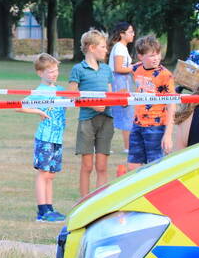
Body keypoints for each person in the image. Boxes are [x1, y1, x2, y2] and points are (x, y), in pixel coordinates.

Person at [18, 54, 66, 222]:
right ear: (40, 73)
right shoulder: (39, 92)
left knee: (51, 175)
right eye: (50, 71)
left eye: (56, 70)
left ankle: (50, 208)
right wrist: (38, 111)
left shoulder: (60, 90)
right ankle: (42, 211)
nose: (54, 74)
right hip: (45, 137)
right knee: (43, 173)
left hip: (57, 138)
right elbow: (19, 106)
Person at [69, 29, 114, 197]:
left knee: (102, 167)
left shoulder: (107, 70)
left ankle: (100, 203)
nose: (106, 50)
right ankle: (83, 202)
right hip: (87, 121)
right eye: (103, 46)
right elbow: (71, 96)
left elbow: (110, 94)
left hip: (107, 120)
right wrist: (93, 105)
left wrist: (120, 100)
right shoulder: (78, 69)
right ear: (91, 48)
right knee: (87, 166)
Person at [127, 35, 176, 170]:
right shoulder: (136, 69)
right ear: (140, 56)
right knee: (133, 166)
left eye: (158, 54)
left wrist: (168, 134)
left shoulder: (165, 75)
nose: (156, 58)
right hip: (137, 124)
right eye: (151, 55)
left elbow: (172, 104)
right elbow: (119, 70)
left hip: (156, 126)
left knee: (154, 169)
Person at [107, 21, 135, 153]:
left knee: (123, 113)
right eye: (130, 32)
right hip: (119, 82)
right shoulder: (119, 47)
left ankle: (127, 146)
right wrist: (133, 67)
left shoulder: (122, 48)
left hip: (122, 81)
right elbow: (118, 68)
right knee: (123, 113)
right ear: (122, 34)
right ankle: (127, 147)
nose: (133, 34)